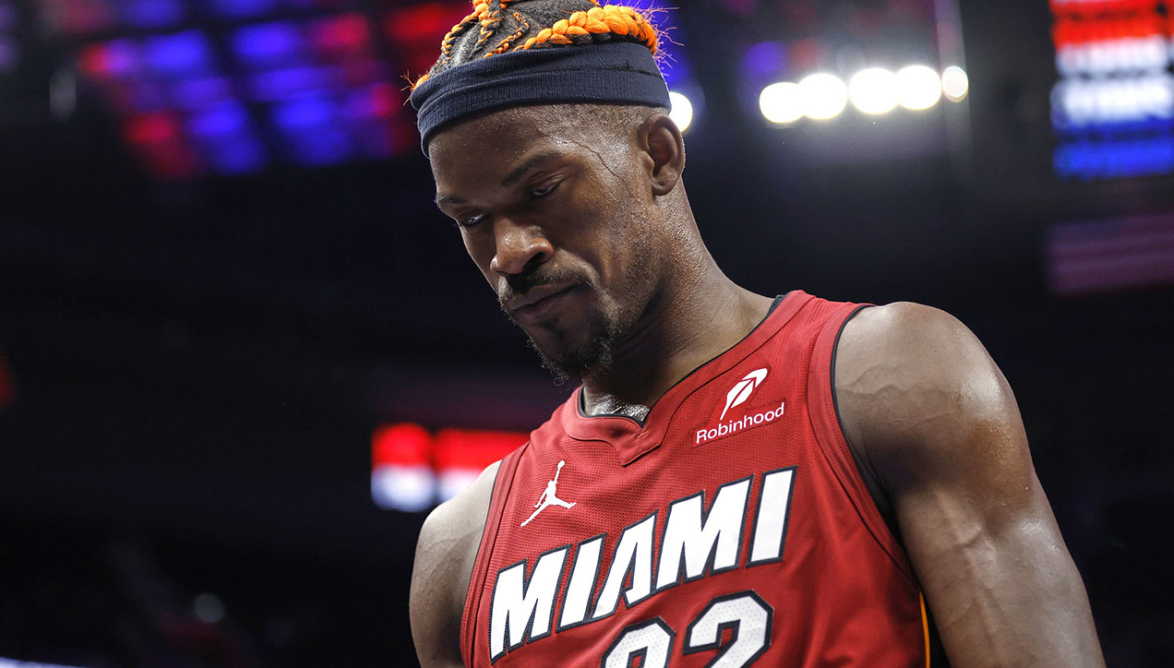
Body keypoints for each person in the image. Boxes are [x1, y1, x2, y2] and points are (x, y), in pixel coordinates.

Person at [406, 1, 1105, 666]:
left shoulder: (887, 378)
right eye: (471, 220)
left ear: (658, 157)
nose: (508, 252)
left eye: (541, 191)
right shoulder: (461, 551)